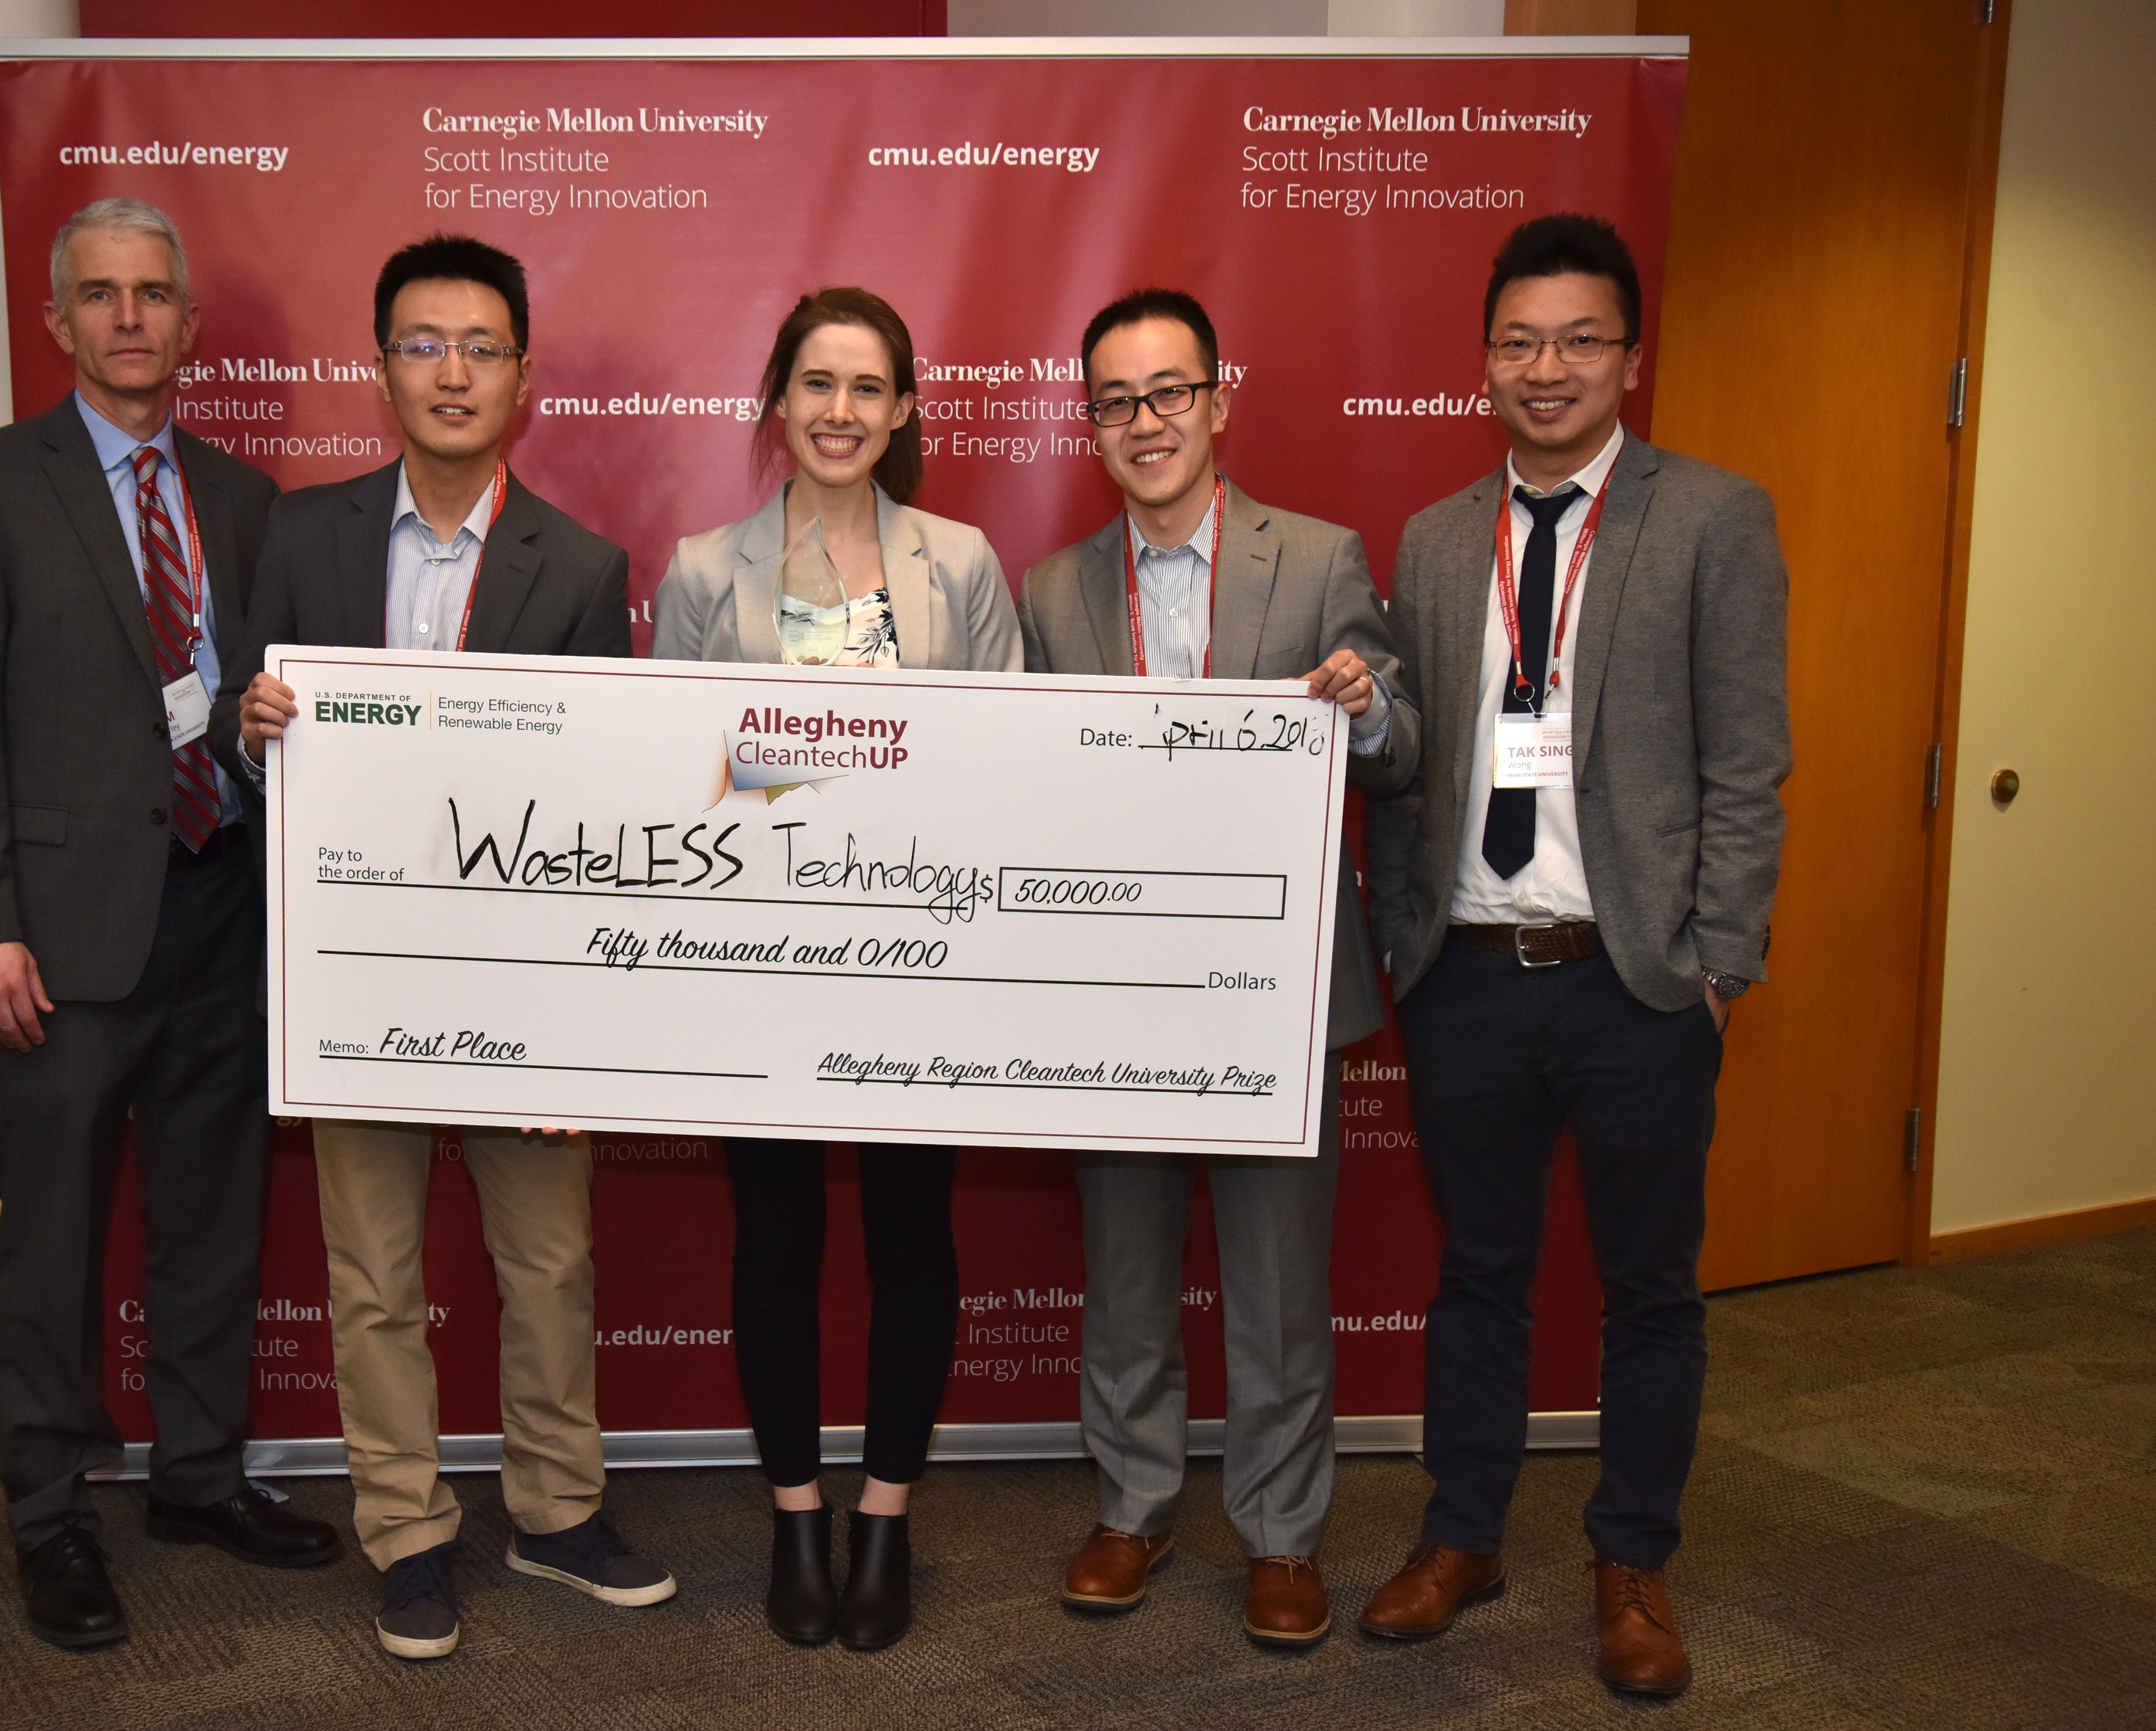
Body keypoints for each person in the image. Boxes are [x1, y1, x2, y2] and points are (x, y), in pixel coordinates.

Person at [215, 234, 671, 1664]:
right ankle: (406, 1531)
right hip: (357, 975)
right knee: (375, 1278)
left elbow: (608, 797)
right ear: (382, 366)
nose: (453, 370)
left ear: (522, 375)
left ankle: (553, 1510)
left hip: (526, 990)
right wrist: (253, 738)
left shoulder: (585, 567)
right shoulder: (301, 536)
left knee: (548, 1266)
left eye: (480, 346)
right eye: (424, 343)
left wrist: (586, 1018)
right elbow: (251, 762)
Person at [1358, 214, 1791, 1698]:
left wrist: (1715, 960)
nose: (1547, 369)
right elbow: (1408, 762)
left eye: (1580, 340)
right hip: (1470, 970)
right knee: (1478, 1272)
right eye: (1520, 341)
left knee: (1648, 1287)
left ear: (1628, 355)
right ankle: (1462, 1532)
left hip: (1635, 979)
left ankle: (1632, 1561)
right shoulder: (1428, 538)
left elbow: (1747, 767)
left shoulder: (1712, 521)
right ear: (1483, 359)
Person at [0, 198, 342, 1651]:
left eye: (154, 292)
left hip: (222, 910)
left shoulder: (243, 494)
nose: (131, 316)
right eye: (101, 294)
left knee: (212, 1225)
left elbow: (246, 703)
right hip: (60, 941)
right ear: (58, 322)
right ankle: (50, 1515)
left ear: (189, 320)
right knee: (53, 1240)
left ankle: (198, 1480)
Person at [1016, 289, 1419, 1648]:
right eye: (1117, 403)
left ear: (1217, 399)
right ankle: (1133, 1501)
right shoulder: (1054, 588)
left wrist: (1363, 712)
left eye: (1169, 392)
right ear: (1091, 426)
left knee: (1277, 1278)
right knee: (1124, 1267)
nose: (1146, 423)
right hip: (1116, 990)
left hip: (1273, 987)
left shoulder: (1316, 559)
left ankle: (1283, 1530)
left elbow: (1404, 732)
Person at [650, 287, 1023, 1651]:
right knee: (779, 1242)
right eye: (815, 383)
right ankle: (794, 1512)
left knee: (915, 1237)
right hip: (762, 972)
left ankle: (883, 1518)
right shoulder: (703, 570)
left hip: (918, 968)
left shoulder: (962, 565)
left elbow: (1001, 769)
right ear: (776, 399)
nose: (839, 411)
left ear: (904, 409)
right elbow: (675, 787)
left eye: (867, 388)